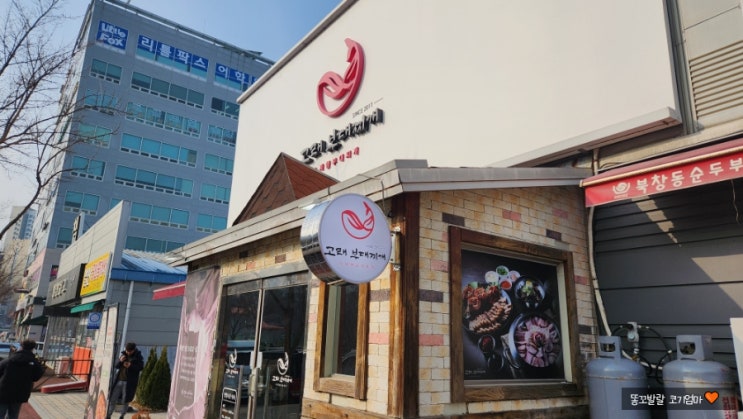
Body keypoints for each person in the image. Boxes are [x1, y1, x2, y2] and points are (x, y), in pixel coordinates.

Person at [0, 339, 46, 419]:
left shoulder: (9, 360)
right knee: (13, 414)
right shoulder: (34, 362)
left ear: (21, 347)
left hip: (3, 390)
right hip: (20, 392)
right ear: (33, 349)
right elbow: (36, 377)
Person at [107, 342, 144, 419]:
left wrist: (130, 365)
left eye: (129, 351)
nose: (128, 352)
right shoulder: (123, 354)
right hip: (118, 380)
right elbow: (116, 366)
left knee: (125, 400)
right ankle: (108, 415)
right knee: (112, 398)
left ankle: (122, 416)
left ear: (133, 350)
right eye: (127, 350)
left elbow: (140, 367)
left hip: (129, 382)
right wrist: (120, 361)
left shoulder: (138, 356)